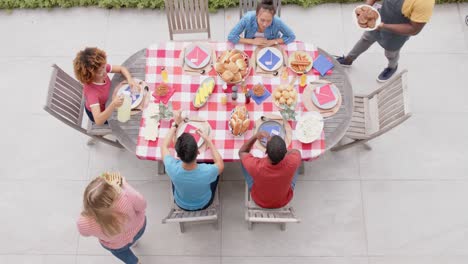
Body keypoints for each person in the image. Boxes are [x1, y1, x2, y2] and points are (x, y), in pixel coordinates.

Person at [336, 0, 435, 82]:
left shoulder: (425, 2)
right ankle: (348, 60)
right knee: (365, 39)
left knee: (390, 53)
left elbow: (414, 29)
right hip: (378, 19)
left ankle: (392, 67)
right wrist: (366, 7)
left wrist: (383, 26)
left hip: (396, 34)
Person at [160, 111, 224, 211]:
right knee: (214, 168)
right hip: (205, 202)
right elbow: (220, 164)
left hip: (180, 202)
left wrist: (175, 124)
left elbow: (164, 146)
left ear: (178, 155)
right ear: (198, 152)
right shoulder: (207, 171)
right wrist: (208, 141)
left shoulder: (171, 167)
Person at [77, 174, 147, 264]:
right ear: (112, 190)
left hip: (116, 245)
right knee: (133, 238)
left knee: (124, 254)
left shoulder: (84, 221)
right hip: (138, 229)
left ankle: (134, 262)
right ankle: (134, 242)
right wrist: (124, 184)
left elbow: (84, 233)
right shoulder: (125, 197)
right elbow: (142, 205)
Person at [73, 47, 138, 125]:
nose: (104, 72)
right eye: (99, 72)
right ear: (89, 76)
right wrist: (113, 105)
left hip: (108, 102)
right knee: (130, 119)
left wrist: (130, 79)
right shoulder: (92, 93)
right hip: (100, 114)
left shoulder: (99, 67)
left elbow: (121, 68)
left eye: (104, 67)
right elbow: (98, 121)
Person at [238, 131, 301, 208]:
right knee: (297, 165)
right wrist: (280, 150)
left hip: (259, 200)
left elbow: (242, 152)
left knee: (243, 161)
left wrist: (255, 136)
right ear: (285, 153)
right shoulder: (292, 162)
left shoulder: (256, 166)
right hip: (283, 200)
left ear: (266, 151)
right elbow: (297, 152)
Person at [228, 0, 295, 47]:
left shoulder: (277, 21)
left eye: (269, 21)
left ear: (273, 17)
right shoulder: (247, 18)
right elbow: (231, 36)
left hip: (271, 47)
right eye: (262, 20)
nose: (265, 24)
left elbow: (291, 36)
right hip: (251, 46)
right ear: (256, 15)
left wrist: (273, 42)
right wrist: (252, 41)